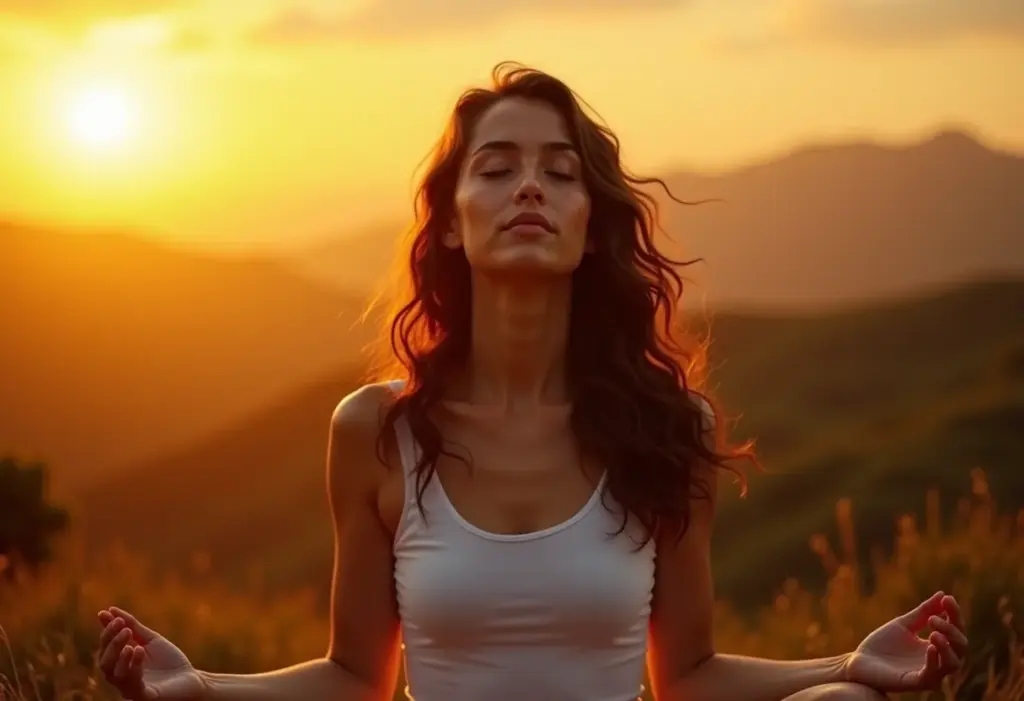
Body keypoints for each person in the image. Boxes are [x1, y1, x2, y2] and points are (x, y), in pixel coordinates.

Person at [95, 62, 968, 701]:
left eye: (559, 172)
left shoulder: (670, 426)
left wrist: (847, 665)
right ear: (448, 225)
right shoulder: (375, 430)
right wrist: (201, 686)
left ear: (591, 229)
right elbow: (356, 675)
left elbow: (690, 675)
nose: (529, 189)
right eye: (497, 166)